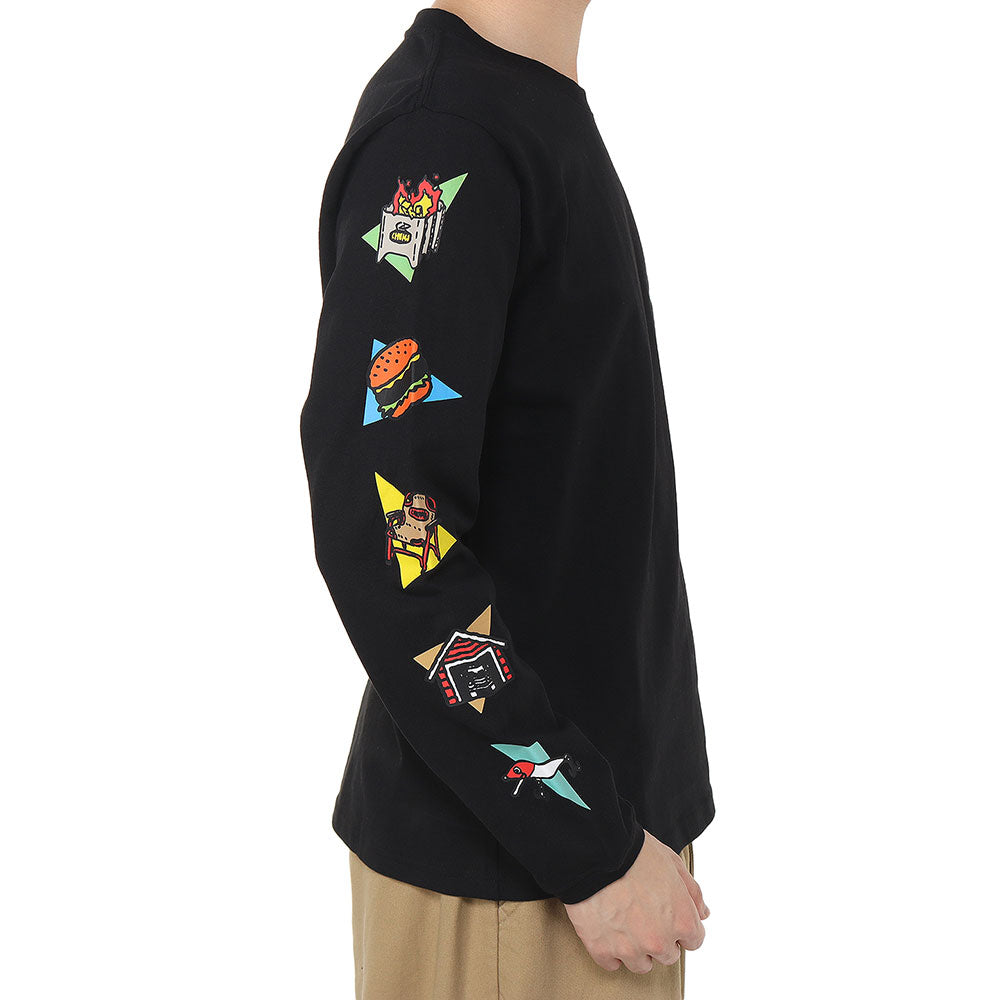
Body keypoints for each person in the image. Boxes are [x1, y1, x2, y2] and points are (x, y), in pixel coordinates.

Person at [300, 2, 714, 997]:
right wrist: (586, 838)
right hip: (522, 876)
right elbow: (390, 541)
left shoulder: (515, 113)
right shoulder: (442, 142)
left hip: (580, 864)